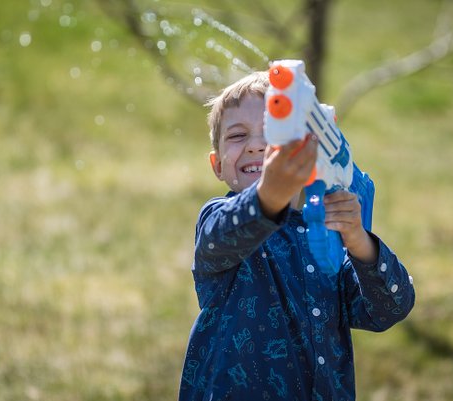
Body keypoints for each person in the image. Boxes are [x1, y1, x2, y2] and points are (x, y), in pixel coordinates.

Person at [178, 71, 415, 401]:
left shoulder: (326, 239)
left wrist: (360, 242)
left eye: (271, 133)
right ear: (217, 166)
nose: (257, 145)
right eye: (237, 135)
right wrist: (270, 194)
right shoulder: (218, 220)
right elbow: (223, 235)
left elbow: (388, 310)